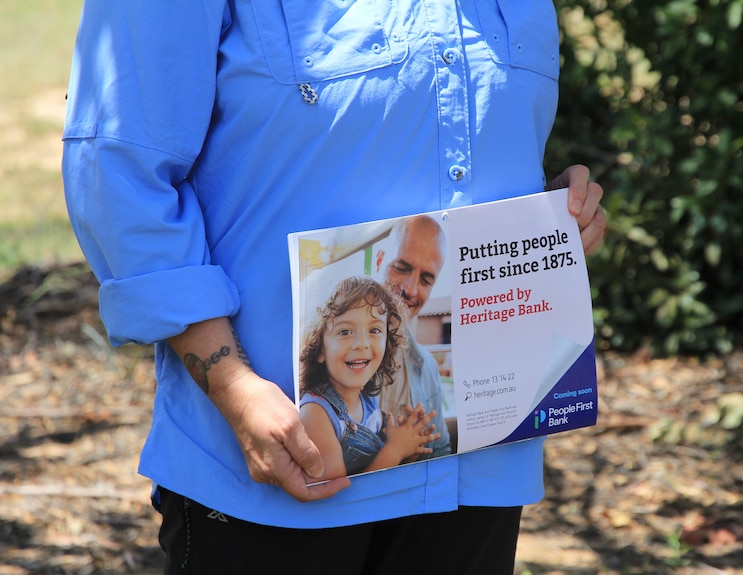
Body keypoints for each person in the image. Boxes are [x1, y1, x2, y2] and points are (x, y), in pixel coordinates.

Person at [62, 1, 606, 573]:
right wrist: (232, 386)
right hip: (276, 474)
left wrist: (548, 224)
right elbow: (116, 171)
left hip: (481, 471)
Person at [298, 276, 440, 477]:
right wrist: (395, 450)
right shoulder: (315, 414)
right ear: (320, 348)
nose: (362, 344)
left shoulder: (368, 400)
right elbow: (337, 490)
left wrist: (408, 446)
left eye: (374, 330)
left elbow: (378, 462)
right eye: (345, 332)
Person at [379, 215, 453, 456]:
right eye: (401, 268)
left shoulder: (428, 366)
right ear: (379, 260)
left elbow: (440, 449)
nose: (410, 289)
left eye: (426, 280)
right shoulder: (337, 351)